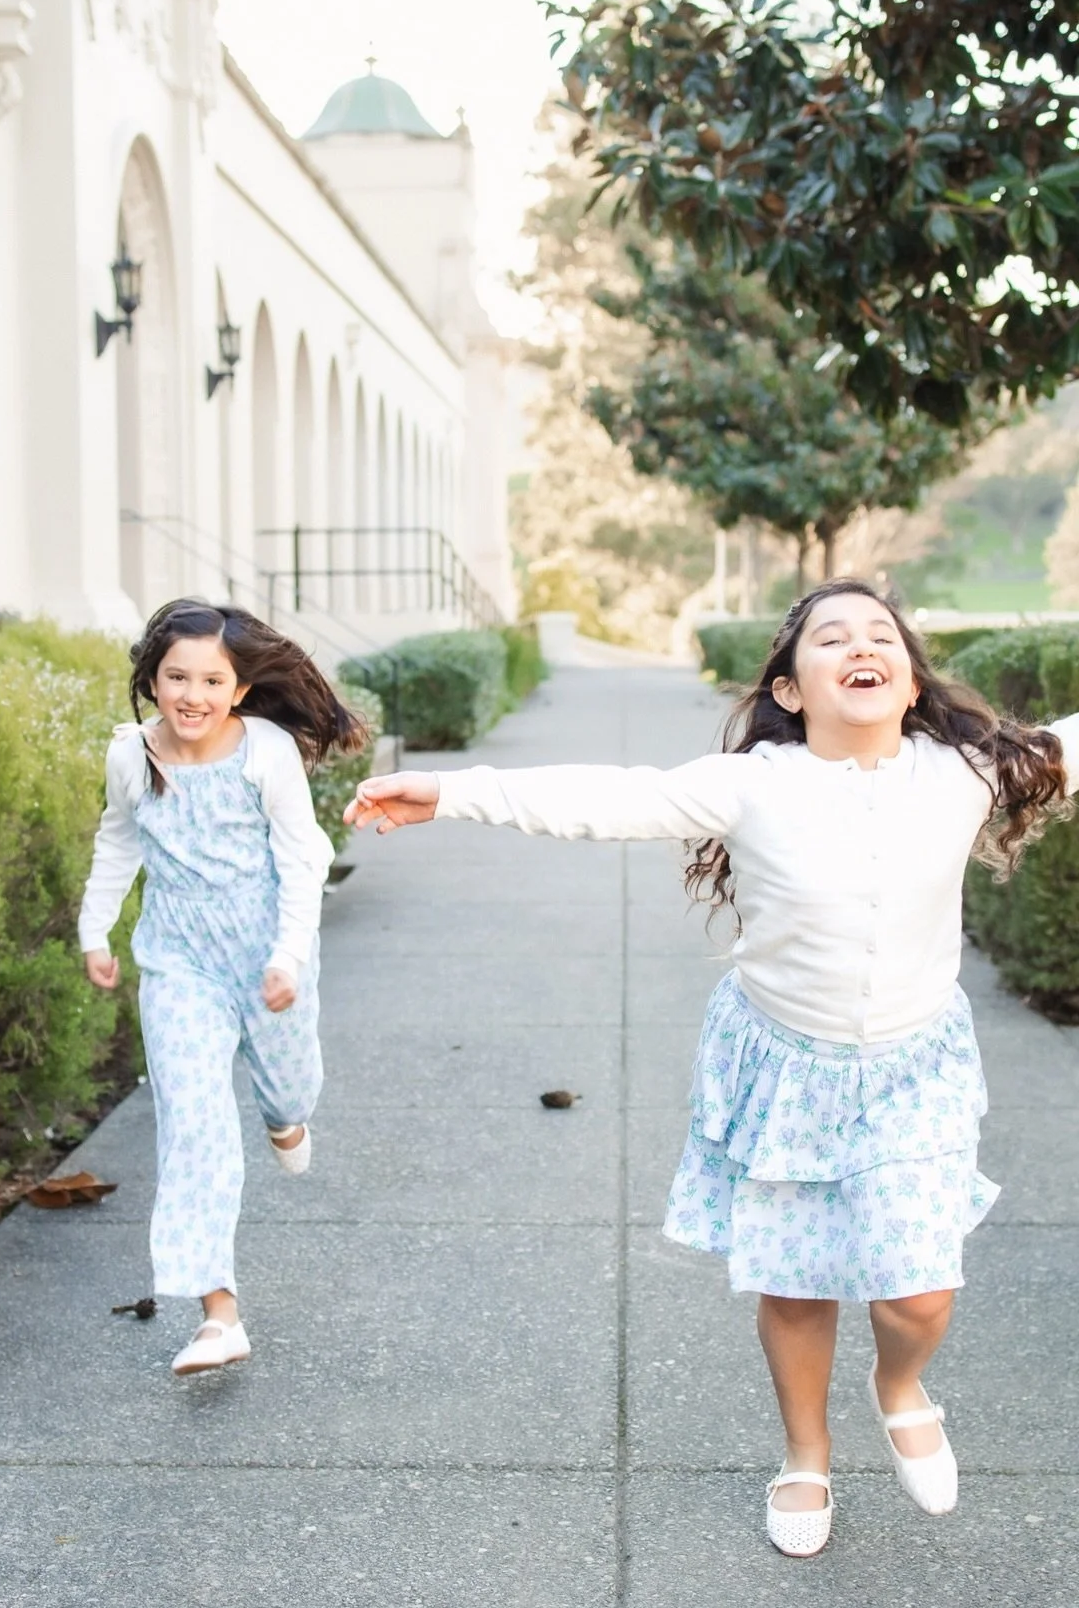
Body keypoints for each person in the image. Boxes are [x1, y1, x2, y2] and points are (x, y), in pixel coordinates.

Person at [345, 579, 1077, 1556]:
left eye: (881, 637)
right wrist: (452, 790)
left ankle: (898, 1383)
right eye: (831, 638)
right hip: (783, 1064)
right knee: (797, 1281)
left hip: (914, 1066)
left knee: (918, 1293)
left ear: (908, 684)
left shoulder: (965, 773)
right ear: (788, 688)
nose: (861, 646)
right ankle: (805, 1455)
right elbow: (607, 798)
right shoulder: (753, 786)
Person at [80, 598, 367, 1377]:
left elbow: (304, 855)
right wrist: (93, 930)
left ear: (239, 690)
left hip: (267, 955)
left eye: (212, 679)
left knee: (288, 1089)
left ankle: (286, 1121)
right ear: (151, 678)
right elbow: (117, 839)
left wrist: (288, 957)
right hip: (178, 964)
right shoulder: (131, 755)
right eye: (177, 676)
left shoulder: (264, 750)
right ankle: (218, 1313)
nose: (192, 694)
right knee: (195, 1124)